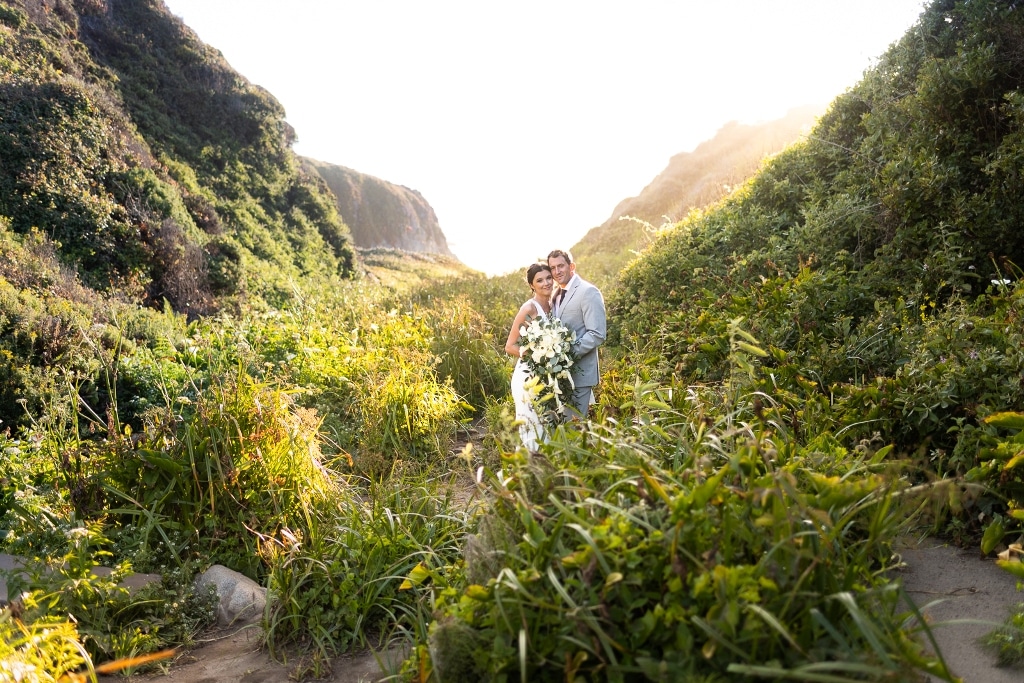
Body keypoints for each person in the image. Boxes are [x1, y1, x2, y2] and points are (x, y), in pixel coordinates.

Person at [548, 249, 606, 419]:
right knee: (559, 429)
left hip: (580, 375)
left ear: (571, 266)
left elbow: (597, 333)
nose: (557, 271)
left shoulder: (588, 291)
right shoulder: (555, 294)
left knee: (574, 429)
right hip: (559, 376)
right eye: (552, 268)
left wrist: (566, 354)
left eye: (561, 266)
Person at [504, 263, 555, 449]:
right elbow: (510, 346)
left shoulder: (553, 303)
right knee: (533, 427)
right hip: (528, 376)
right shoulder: (529, 309)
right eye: (539, 280)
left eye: (548, 278)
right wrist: (538, 356)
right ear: (532, 285)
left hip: (548, 376)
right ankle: (529, 471)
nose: (546, 283)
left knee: (548, 425)